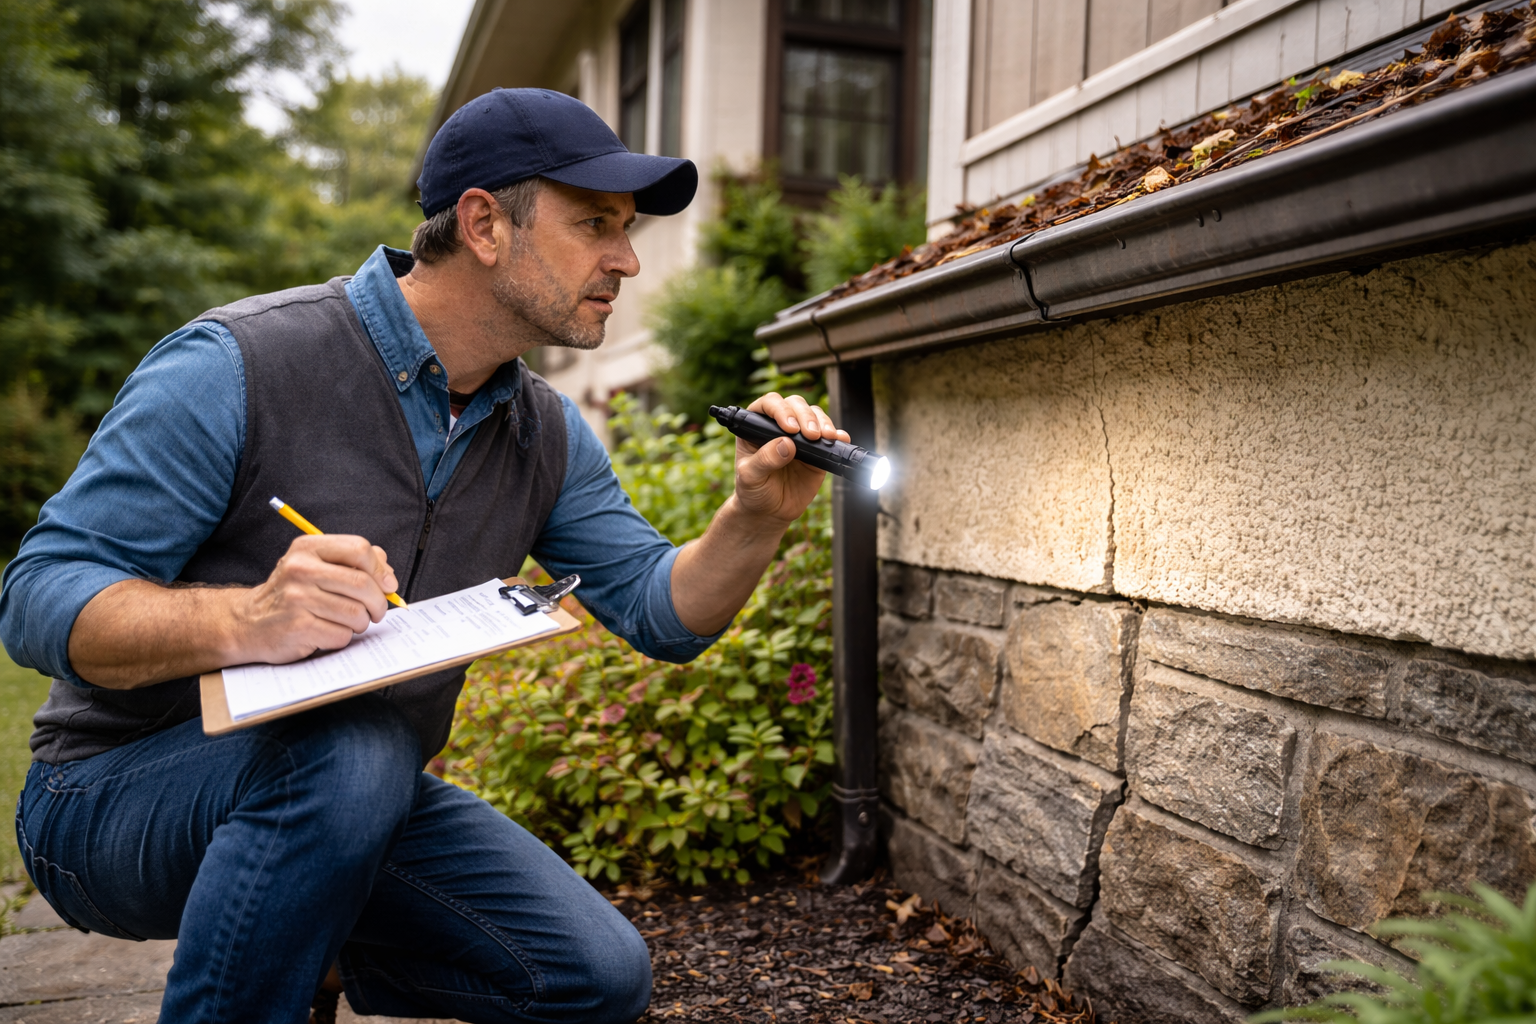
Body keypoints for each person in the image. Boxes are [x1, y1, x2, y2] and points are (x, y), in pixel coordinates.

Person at [0, 88, 847, 1024]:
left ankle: (302, 944)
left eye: (628, 229)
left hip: (355, 798)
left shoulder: (546, 434)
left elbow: (662, 613)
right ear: (485, 223)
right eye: (596, 224)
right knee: (359, 753)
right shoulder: (237, 364)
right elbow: (38, 596)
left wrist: (755, 515)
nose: (628, 260)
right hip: (109, 798)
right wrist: (244, 619)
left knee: (595, 977)